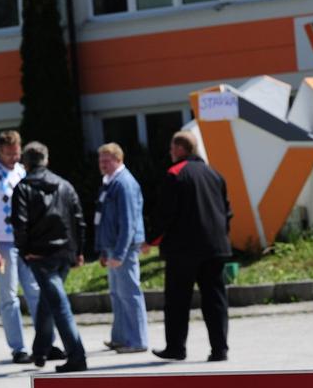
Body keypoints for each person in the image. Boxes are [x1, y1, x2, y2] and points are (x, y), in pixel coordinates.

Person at [0, 130, 64, 364]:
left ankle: (46, 343)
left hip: (26, 242)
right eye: (9, 154)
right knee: (9, 297)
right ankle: (18, 348)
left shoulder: (21, 171)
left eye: (16, 154)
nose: (14, 158)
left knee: (36, 292)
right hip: (3, 243)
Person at [145, 131, 232, 362]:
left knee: (177, 300)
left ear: (180, 149)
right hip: (214, 248)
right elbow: (227, 211)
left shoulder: (175, 173)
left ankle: (176, 348)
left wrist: (151, 239)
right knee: (215, 299)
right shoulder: (215, 174)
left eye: (172, 148)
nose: (170, 152)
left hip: (183, 249)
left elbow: (165, 214)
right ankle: (220, 349)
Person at [11, 141, 88, 373]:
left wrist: (24, 251)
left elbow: (19, 225)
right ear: (46, 160)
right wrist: (78, 251)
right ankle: (41, 350)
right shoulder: (65, 185)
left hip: (40, 255)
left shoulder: (22, 188)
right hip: (63, 253)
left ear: (25, 164)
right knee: (49, 300)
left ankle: (77, 356)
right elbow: (79, 220)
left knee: (59, 305)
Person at [95, 143, 149, 354]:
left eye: (107, 160)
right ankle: (120, 337)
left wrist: (119, 253)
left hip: (123, 249)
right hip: (112, 247)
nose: (102, 164)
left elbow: (128, 222)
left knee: (130, 293)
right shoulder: (110, 182)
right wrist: (103, 250)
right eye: (101, 160)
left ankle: (137, 341)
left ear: (119, 159)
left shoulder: (124, 183)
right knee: (117, 294)